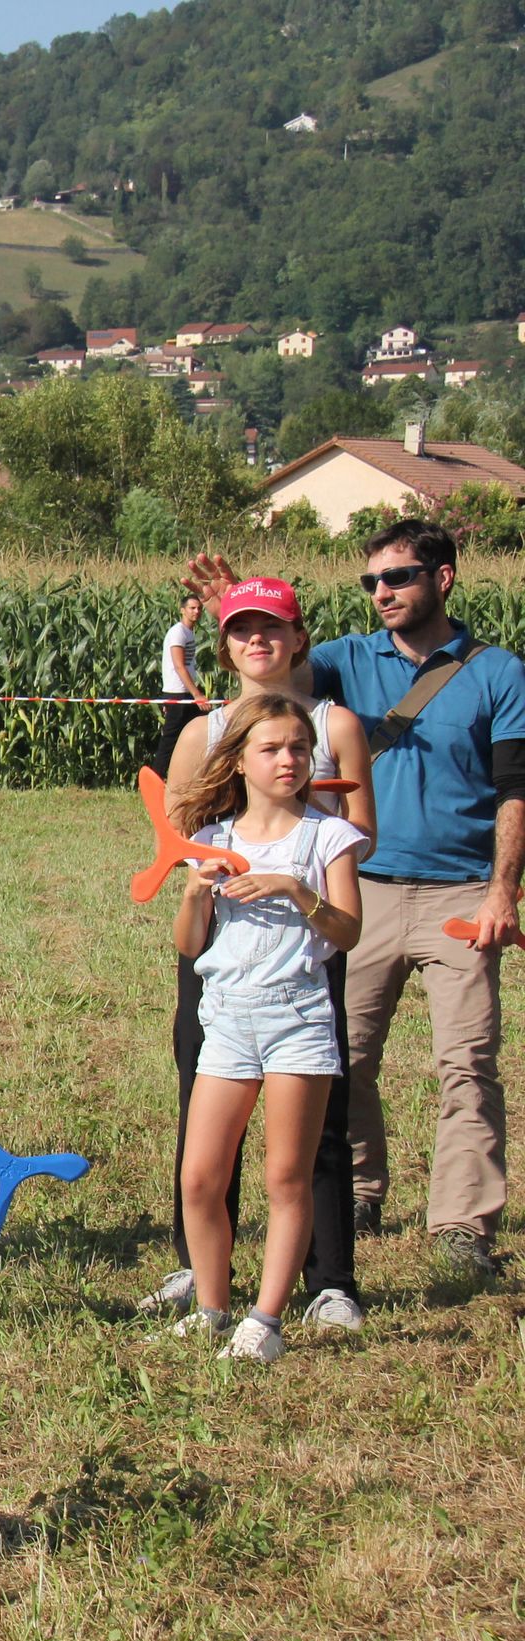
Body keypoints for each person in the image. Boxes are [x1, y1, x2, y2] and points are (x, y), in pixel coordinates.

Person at [193, 528, 525, 1279]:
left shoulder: (498, 673)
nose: (382, 592)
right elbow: (270, 681)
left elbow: (515, 788)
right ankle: (363, 1192)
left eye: (398, 577)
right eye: (371, 581)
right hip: (359, 887)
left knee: (467, 1062)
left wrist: (504, 890)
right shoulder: (346, 659)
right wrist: (241, 613)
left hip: (462, 892)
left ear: (443, 577)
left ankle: (461, 1225)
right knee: (346, 1057)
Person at [140, 577, 372, 1330]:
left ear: (300, 638)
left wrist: (301, 865)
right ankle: (205, 1280)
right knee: (204, 1129)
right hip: (225, 953)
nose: (258, 641)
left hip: (300, 959)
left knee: (306, 1139)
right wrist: (202, 879)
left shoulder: (334, 726)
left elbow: (358, 841)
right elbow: (177, 838)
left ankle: (325, 1282)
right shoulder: (202, 733)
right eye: (242, 629)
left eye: (273, 627)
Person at [168, 693, 365, 1364]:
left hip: (296, 1019)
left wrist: (296, 890)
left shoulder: (328, 837)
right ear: (240, 761)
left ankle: (265, 1320)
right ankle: (212, 1308)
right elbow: (189, 944)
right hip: (226, 1019)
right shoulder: (214, 839)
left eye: (299, 748)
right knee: (200, 1179)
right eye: (272, 748)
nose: (289, 760)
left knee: (286, 1176)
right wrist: (194, 891)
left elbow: (348, 931)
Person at [153, 592, 216, 774]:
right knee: (170, 738)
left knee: (201, 732)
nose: (196, 611)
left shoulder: (188, 632)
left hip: (185, 692)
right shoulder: (178, 633)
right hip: (178, 692)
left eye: (199, 608)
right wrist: (197, 694)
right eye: (192, 608)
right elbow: (179, 666)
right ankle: (156, 776)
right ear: (182, 610)